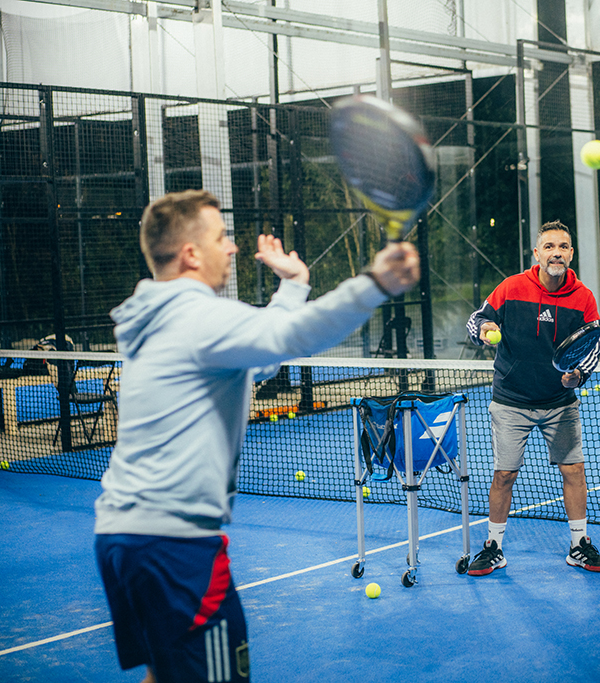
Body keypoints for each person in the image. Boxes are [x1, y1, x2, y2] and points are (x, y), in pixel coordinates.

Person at [94, 189, 419, 683]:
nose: (232, 248)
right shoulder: (195, 315)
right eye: (221, 237)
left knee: (165, 673)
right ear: (190, 254)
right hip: (174, 546)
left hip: (121, 536)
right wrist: (374, 283)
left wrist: (293, 286)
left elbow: (260, 353)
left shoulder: (158, 315)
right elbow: (294, 336)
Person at [464, 220, 600, 576]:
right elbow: (476, 319)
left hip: (559, 402)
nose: (556, 252)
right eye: (549, 247)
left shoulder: (584, 297)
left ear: (571, 253)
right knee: (504, 475)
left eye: (563, 246)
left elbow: (594, 343)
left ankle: (579, 545)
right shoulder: (511, 287)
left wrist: (578, 375)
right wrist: (486, 329)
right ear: (537, 254)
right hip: (511, 400)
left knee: (573, 470)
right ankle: (493, 547)